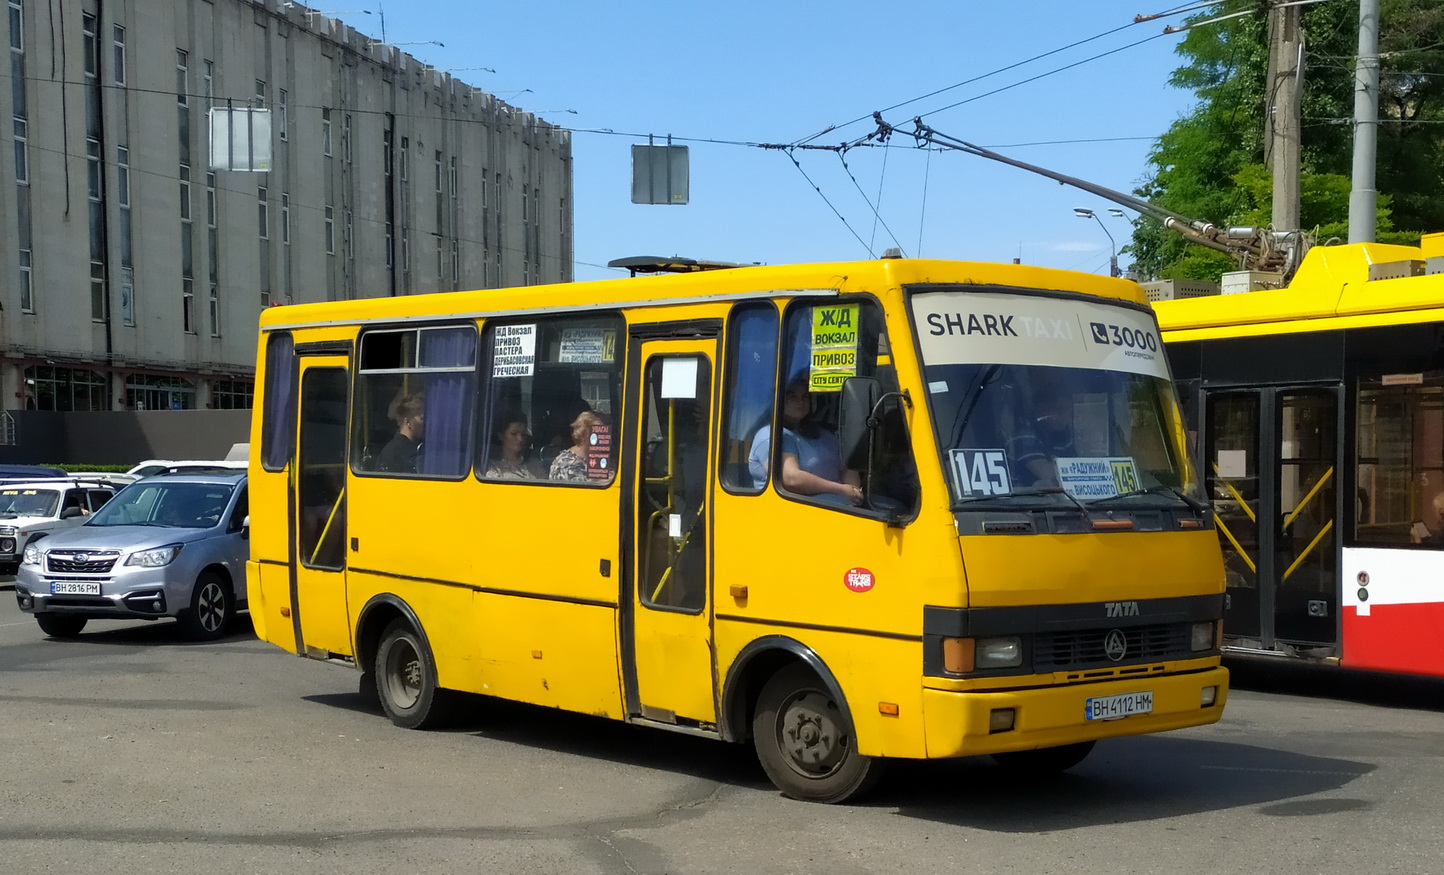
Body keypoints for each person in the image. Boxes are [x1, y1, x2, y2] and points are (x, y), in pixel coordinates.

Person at [748, 376, 863, 506]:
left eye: (805, 397)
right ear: (778, 400)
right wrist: (840, 489)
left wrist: (854, 492)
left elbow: (846, 467)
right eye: (792, 397)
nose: (800, 402)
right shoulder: (771, 436)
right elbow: (791, 479)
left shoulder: (823, 434)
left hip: (845, 509)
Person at [1009, 388, 1076, 487]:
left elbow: (1077, 468)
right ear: (1042, 410)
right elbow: (1046, 474)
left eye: (1069, 412)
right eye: (1061, 410)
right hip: (1020, 499)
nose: (1066, 417)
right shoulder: (1024, 436)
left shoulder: (1063, 438)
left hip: (1057, 500)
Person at [550, 410, 606, 482]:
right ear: (583, 435)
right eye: (597, 434)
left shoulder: (598, 457)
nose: (602, 438)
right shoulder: (566, 463)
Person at [376, 393, 424, 474]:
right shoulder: (395, 453)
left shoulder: (416, 448)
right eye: (422, 418)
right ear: (408, 422)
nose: (425, 423)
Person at [486, 414, 536, 480]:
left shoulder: (534, 463)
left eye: (523, 434)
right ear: (501, 435)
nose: (520, 439)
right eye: (514, 434)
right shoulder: (492, 467)